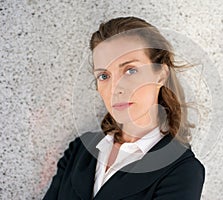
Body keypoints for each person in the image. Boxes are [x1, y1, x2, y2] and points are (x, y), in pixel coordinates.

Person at [43, 16, 205, 200]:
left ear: (160, 75)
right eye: (104, 76)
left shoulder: (182, 171)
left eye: (130, 70)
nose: (115, 89)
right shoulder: (79, 150)